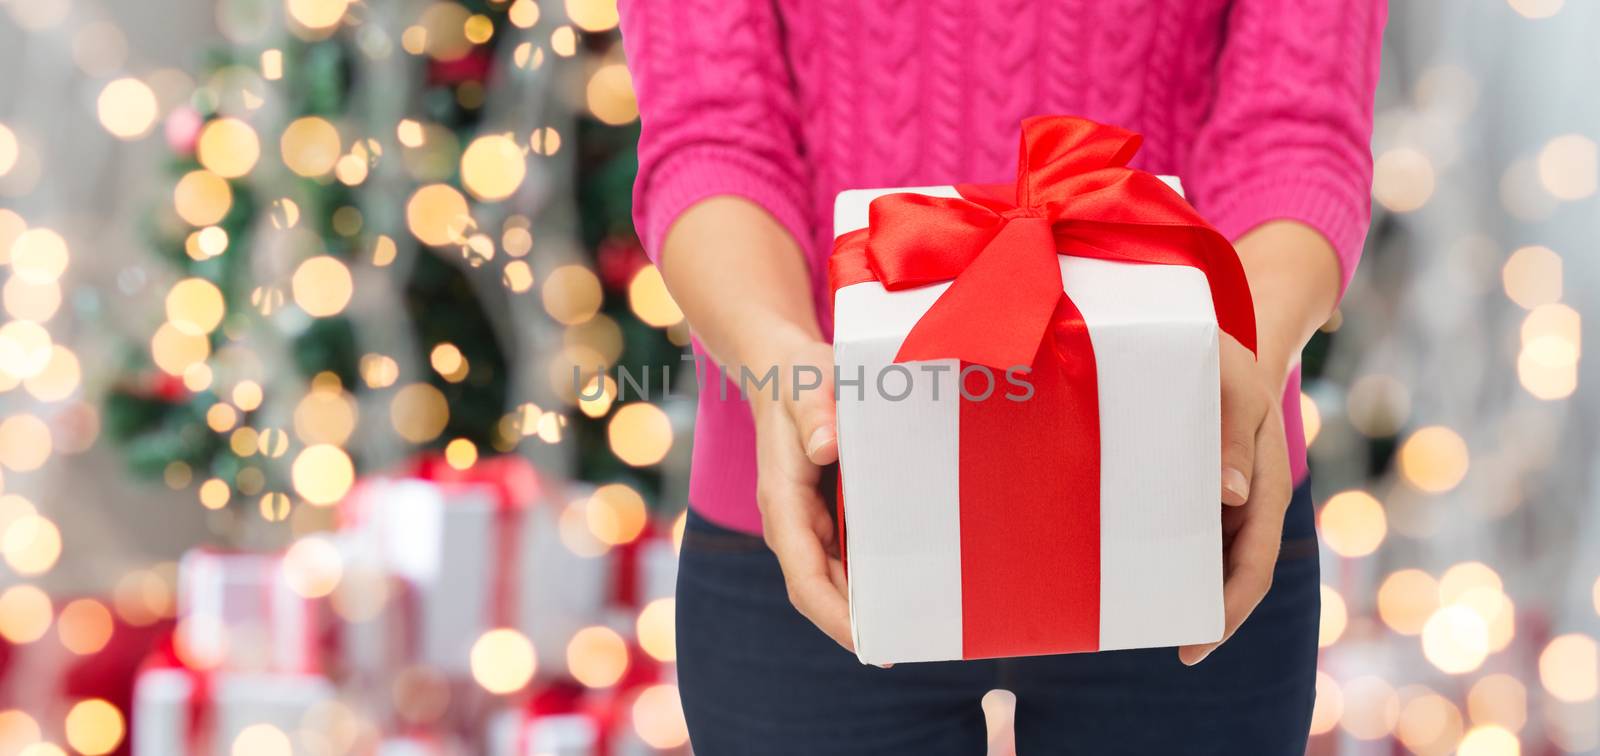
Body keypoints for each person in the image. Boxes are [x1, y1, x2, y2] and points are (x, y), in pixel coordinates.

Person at [617, 1, 1385, 753]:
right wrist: (774, 356)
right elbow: (710, 133)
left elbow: (1298, 130)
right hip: (819, 509)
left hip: (1191, 491)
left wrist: (1249, 346)